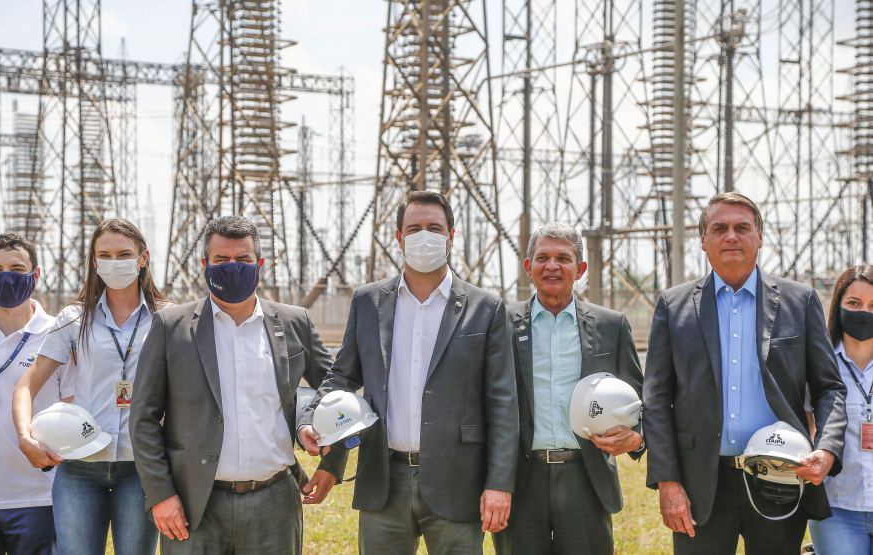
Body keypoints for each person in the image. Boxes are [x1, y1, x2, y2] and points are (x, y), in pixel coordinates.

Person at [298, 190, 518, 554]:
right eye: (413, 229)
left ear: (451, 236)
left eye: (434, 228)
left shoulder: (486, 308)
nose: (424, 236)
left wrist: (499, 484)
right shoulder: (369, 302)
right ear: (399, 239)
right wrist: (311, 419)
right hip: (385, 481)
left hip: (458, 482)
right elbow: (341, 377)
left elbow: (503, 404)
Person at [642, 192, 847, 554]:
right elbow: (656, 400)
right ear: (704, 240)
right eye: (719, 228)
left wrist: (827, 447)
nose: (731, 236)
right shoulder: (673, 306)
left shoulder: (799, 301)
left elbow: (829, 387)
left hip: (780, 475)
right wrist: (668, 483)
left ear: (760, 238)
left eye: (742, 227)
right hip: (699, 483)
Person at [129, 215, 341, 555]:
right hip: (193, 506)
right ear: (205, 265)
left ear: (260, 265)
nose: (233, 268)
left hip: (274, 503)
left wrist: (332, 461)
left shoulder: (293, 322)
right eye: (221, 260)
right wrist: (160, 495)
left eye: (243, 260)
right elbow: (142, 418)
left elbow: (335, 389)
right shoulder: (171, 327)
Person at [13, 218, 168, 555]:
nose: (115, 263)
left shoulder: (168, 319)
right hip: (79, 470)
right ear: (94, 262)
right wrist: (25, 438)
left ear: (143, 258)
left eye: (124, 253)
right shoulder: (73, 318)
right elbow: (26, 387)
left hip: (142, 470)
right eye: (105, 255)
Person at [492, 222, 644, 555]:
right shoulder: (500, 322)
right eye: (543, 257)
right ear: (528, 267)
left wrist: (636, 438)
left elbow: (640, 400)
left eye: (563, 257)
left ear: (581, 269)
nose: (552, 266)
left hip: (586, 480)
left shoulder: (610, 325)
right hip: (520, 480)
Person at [0, 233, 74, 555]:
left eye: (16, 268)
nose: (5, 276)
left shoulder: (59, 334)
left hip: (39, 496)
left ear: (35, 276)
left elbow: (72, 407)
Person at [806, 265, 873, 554]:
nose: (864, 312)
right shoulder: (817, 366)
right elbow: (807, 431)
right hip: (836, 510)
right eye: (854, 304)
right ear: (838, 305)